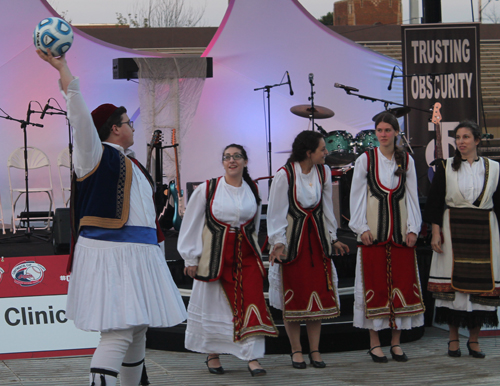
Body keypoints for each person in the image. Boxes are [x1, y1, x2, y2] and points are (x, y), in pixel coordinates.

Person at [37, 49, 187, 386]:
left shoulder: (132, 163)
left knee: (136, 330)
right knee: (119, 331)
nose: (133, 127)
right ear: (115, 129)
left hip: (140, 254)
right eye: (128, 122)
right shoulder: (93, 154)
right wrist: (63, 69)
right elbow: (78, 115)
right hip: (112, 253)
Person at [177, 144, 278, 377]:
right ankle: (212, 353)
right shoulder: (208, 188)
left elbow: (254, 226)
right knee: (214, 303)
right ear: (223, 162)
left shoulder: (252, 189)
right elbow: (191, 224)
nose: (232, 161)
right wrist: (191, 257)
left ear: (245, 161)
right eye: (227, 157)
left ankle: (252, 356)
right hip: (215, 257)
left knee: (251, 299)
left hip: (245, 254)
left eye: (237, 157)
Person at [267, 130, 349, 369]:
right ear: (308, 152)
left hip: (316, 243)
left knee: (316, 298)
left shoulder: (323, 172)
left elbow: (326, 209)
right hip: (294, 244)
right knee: (293, 296)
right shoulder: (285, 175)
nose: (327, 153)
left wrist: (332, 238)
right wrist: (278, 242)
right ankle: (296, 350)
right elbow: (276, 213)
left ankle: (315, 350)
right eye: (323, 149)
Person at [349, 112, 424, 363]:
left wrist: (413, 227)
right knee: (374, 286)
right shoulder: (365, 160)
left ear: (395, 132)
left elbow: (412, 196)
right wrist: (361, 227)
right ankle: (374, 343)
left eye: (387, 130)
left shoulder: (407, 161)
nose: (382, 135)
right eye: (379, 130)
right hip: (374, 236)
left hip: (401, 234)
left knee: (401, 285)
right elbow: (357, 197)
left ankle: (395, 343)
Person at [425, 120, 500, 359]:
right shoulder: (445, 167)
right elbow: (435, 203)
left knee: (481, 286)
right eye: (458, 137)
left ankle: (475, 340)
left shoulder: (495, 168)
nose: (461, 141)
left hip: (484, 231)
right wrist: (436, 232)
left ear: (477, 140)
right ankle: (453, 338)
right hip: (452, 229)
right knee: (454, 288)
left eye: (466, 137)